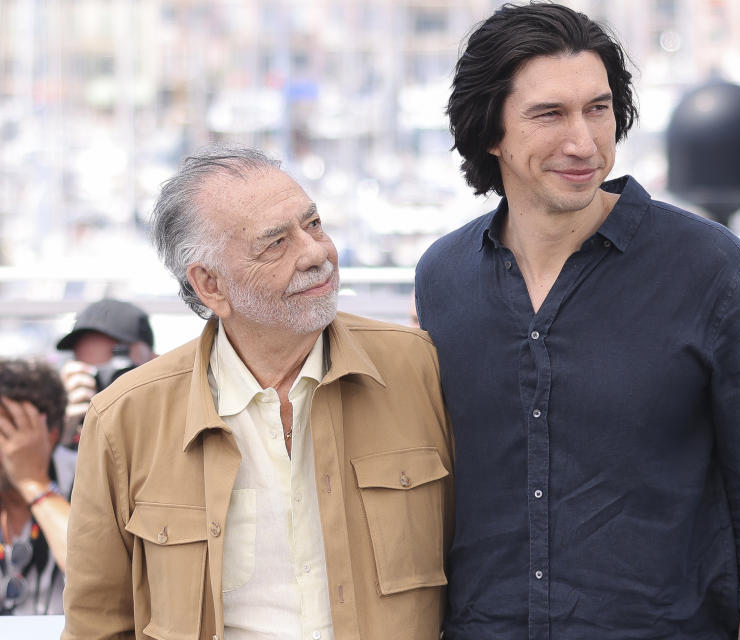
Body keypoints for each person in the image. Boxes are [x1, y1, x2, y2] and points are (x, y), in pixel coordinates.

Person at [414, 4, 740, 638]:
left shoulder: (714, 271)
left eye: (597, 109)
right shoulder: (442, 277)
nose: (584, 142)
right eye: (550, 114)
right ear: (489, 131)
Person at [63, 147, 454, 640]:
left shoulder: (421, 369)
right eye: (276, 243)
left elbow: (489, 570)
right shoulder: (125, 419)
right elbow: (96, 624)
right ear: (210, 284)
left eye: (313, 223)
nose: (316, 253)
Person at [0, 358, 73, 615]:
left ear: (48, 435)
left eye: (5, 431)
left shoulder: (85, 479)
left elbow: (93, 570)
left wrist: (34, 483)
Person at [55, 298, 157, 448]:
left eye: (120, 373)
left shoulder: (178, 419)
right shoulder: (69, 438)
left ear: (156, 361)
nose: (112, 391)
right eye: (96, 375)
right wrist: (64, 436)